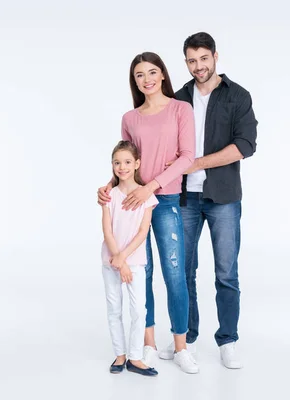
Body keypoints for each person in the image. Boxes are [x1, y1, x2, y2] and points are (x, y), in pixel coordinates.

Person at [159, 32, 258, 369]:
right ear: (185, 62)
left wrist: (196, 162)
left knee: (226, 273)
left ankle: (228, 341)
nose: (198, 66)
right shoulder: (177, 98)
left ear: (216, 56)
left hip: (223, 197)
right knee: (182, 271)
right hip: (183, 196)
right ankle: (186, 339)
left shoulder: (238, 96)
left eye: (203, 59)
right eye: (191, 60)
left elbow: (244, 145)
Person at [98, 52, 199, 374]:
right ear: (135, 81)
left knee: (175, 275)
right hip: (132, 205)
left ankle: (181, 347)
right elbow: (125, 162)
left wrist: (150, 186)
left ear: (163, 75)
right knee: (144, 274)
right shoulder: (130, 118)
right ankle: (148, 344)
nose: (147, 79)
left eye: (152, 72)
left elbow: (187, 157)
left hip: (166, 200)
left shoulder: (181, 109)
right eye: (140, 75)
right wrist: (109, 185)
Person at [101, 140, 159, 376]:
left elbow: (143, 231)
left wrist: (124, 259)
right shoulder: (109, 195)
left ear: (137, 164)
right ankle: (120, 355)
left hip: (133, 262)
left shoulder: (147, 197)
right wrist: (117, 259)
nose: (121, 167)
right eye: (117, 162)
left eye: (127, 162)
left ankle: (135, 357)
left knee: (139, 310)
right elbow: (107, 230)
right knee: (114, 308)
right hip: (111, 261)